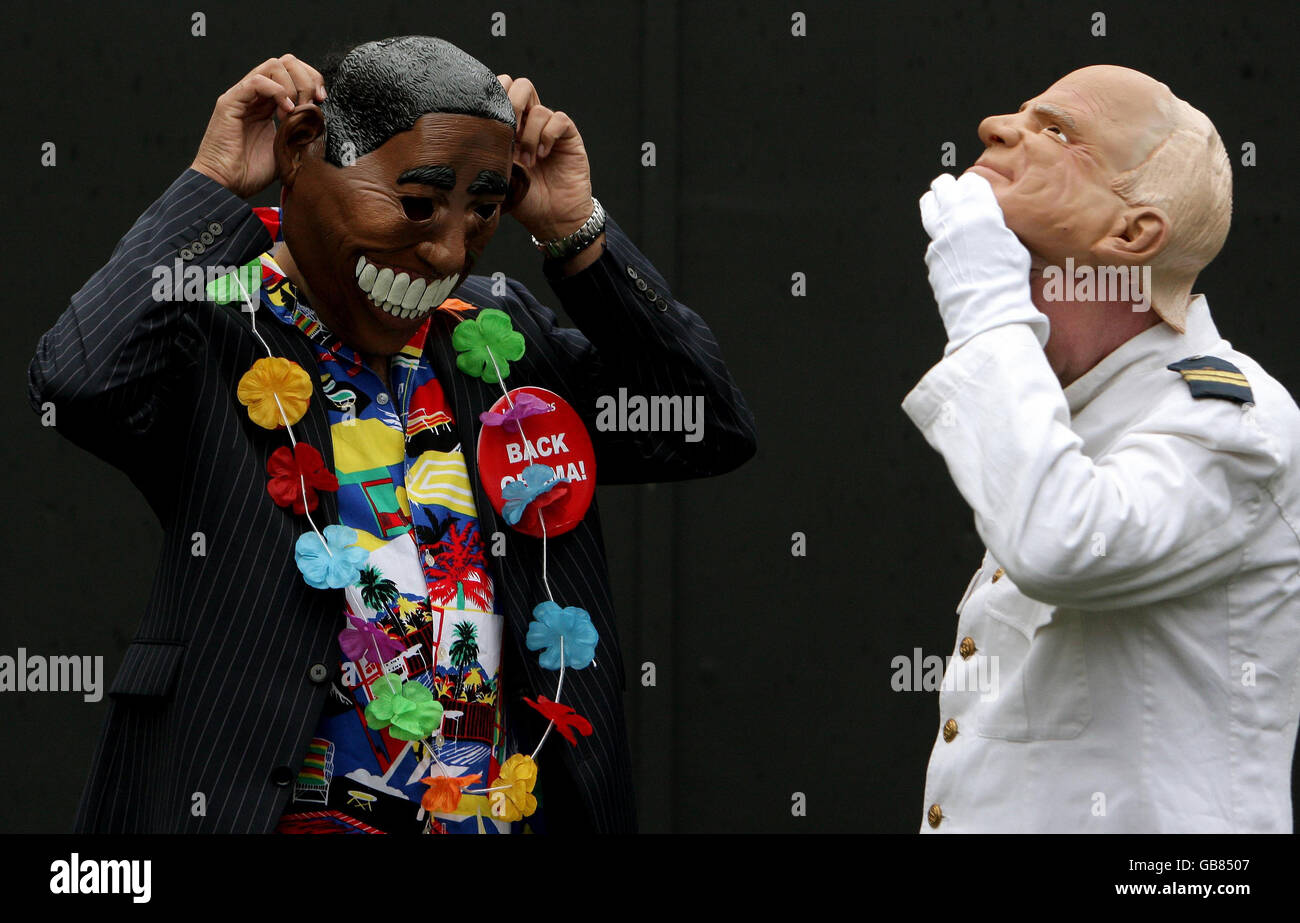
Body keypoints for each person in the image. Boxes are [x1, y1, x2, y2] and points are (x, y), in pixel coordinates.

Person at [28, 36, 756, 834]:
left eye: (483, 210)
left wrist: (576, 230)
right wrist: (213, 186)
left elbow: (704, 424)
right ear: (303, 152)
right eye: (417, 203)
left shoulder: (496, 333)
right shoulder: (210, 326)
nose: (447, 248)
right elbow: (78, 381)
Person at [904, 64, 1300, 832]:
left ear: (1131, 233)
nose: (997, 127)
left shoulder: (1230, 418)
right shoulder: (1067, 415)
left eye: (1058, 130)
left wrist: (984, 302)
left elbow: (1063, 542)